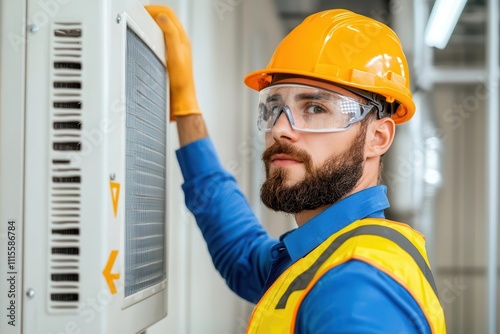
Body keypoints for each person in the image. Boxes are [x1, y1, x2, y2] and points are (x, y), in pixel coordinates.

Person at [146, 5, 446, 334]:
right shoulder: (318, 256)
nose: (280, 129)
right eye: (275, 107)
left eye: (315, 107)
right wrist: (186, 108)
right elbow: (241, 253)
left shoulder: (356, 287)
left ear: (377, 137)